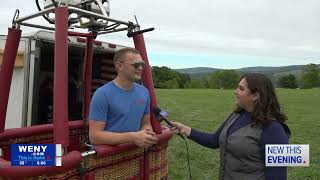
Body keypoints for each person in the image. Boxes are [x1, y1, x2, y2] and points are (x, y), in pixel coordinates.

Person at [171, 73, 291, 180]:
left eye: (241, 88)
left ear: (255, 95)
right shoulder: (237, 115)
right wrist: (185, 129)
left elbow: (278, 175)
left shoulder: (275, 129)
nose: (235, 91)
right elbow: (215, 141)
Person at [89, 47, 158, 148]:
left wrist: (147, 132)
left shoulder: (144, 92)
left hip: (134, 154)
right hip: (107, 157)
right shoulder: (102, 94)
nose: (140, 68)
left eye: (142, 64)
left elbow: (146, 123)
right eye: (136, 65)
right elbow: (95, 136)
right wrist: (133, 137)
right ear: (120, 66)